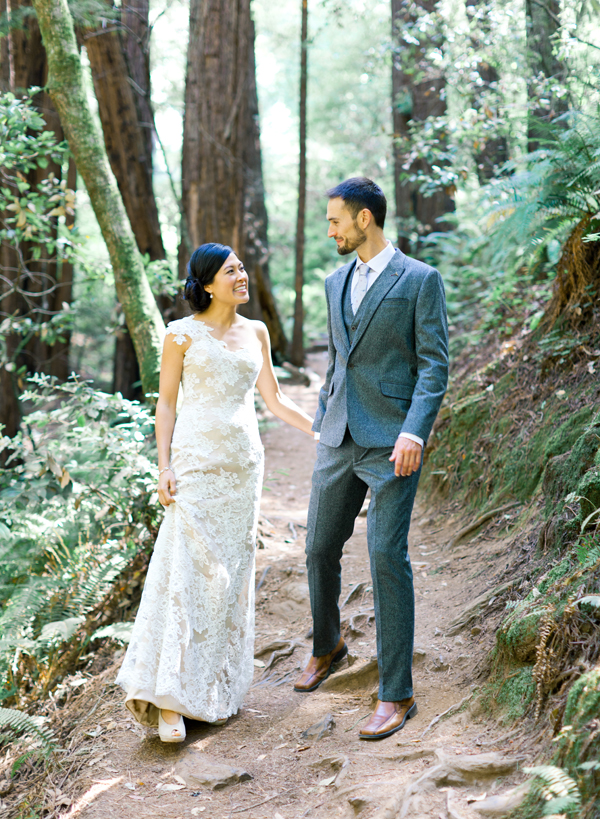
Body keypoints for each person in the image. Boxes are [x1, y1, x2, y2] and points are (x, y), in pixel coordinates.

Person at [117, 243, 315, 743]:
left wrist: (319, 429)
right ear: (207, 284)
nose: (242, 276)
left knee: (228, 580)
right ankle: (167, 700)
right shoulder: (179, 335)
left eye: (242, 267)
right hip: (195, 466)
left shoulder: (258, 332)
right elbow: (165, 404)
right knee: (186, 571)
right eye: (231, 270)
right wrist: (162, 466)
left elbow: (273, 399)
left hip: (243, 470)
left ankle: (210, 691)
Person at [293, 178, 449, 740]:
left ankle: (396, 691)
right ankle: (327, 644)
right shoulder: (334, 281)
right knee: (316, 548)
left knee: (385, 557)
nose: (329, 231)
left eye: (335, 220)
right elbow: (337, 360)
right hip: (338, 437)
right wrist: (321, 419)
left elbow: (434, 364)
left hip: (392, 444)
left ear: (365, 219)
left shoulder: (420, 280)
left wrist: (416, 431)